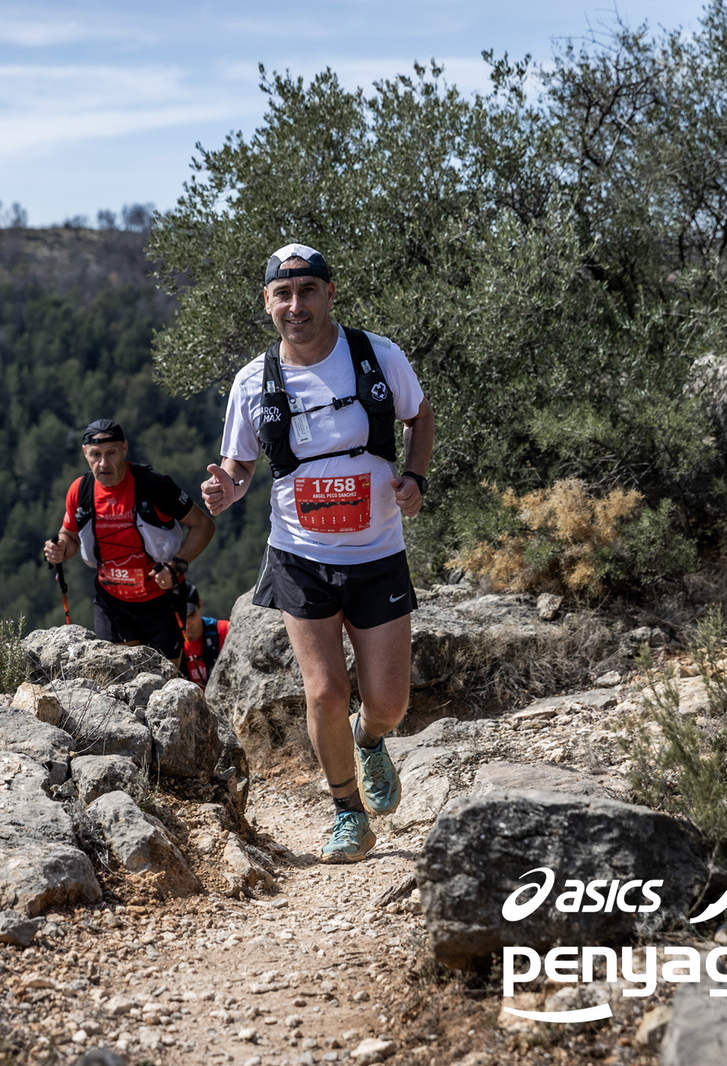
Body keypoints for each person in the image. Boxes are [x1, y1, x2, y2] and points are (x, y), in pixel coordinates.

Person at [201, 243, 434, 863]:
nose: (295, 305)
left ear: (330, 293)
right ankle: (348, 814)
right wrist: (225, 489)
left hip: (377, 551)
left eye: (307, 291)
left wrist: (415, 478)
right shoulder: (253, 381)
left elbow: (419, 416)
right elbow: (239, 465)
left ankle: (370, 738)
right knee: (325, 690)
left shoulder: (376, 356)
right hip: (299, 554)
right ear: (267, 302)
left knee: (389, 703)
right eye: (283, 294)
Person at [44, 418, 215, 660]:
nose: (103, 463)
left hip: (162, 600)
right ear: (85, 453)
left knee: (164, 677)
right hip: (112, 603)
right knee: (119, 676)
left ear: (124, 448)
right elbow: (70, 535)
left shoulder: (154, 486)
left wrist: (177, 566)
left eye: (111, 453)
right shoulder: (80, 491)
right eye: (95, 455)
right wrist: (60, 547)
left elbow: (203, 525)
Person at [176, 581, 230, 689]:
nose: (187, 623)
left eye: (191, 615)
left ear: (199, 604)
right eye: (181, 617)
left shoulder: (223, 630)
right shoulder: (172, 644)